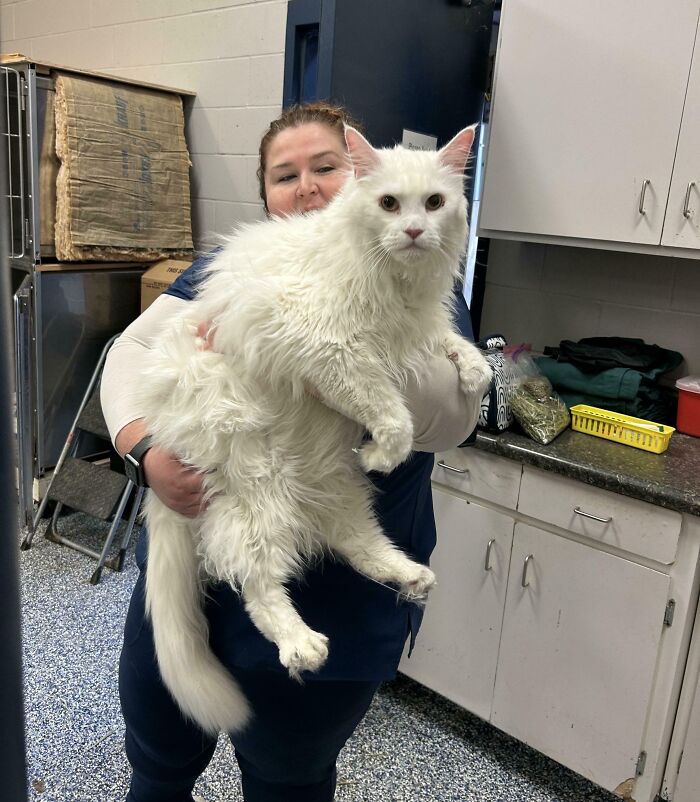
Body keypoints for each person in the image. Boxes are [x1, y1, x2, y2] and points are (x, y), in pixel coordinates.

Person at [101, 101, 480, 802]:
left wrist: (281, 339)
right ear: (266, 197)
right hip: (192, 558)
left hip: (331, 600)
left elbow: (450, 415)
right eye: (284, 175)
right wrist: (143, 451)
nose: (305, 186)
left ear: (366, 181)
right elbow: (130, 352)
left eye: (326, 167)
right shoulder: (230, 267)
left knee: (288, 779)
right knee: (156, 762)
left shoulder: (417, 275)